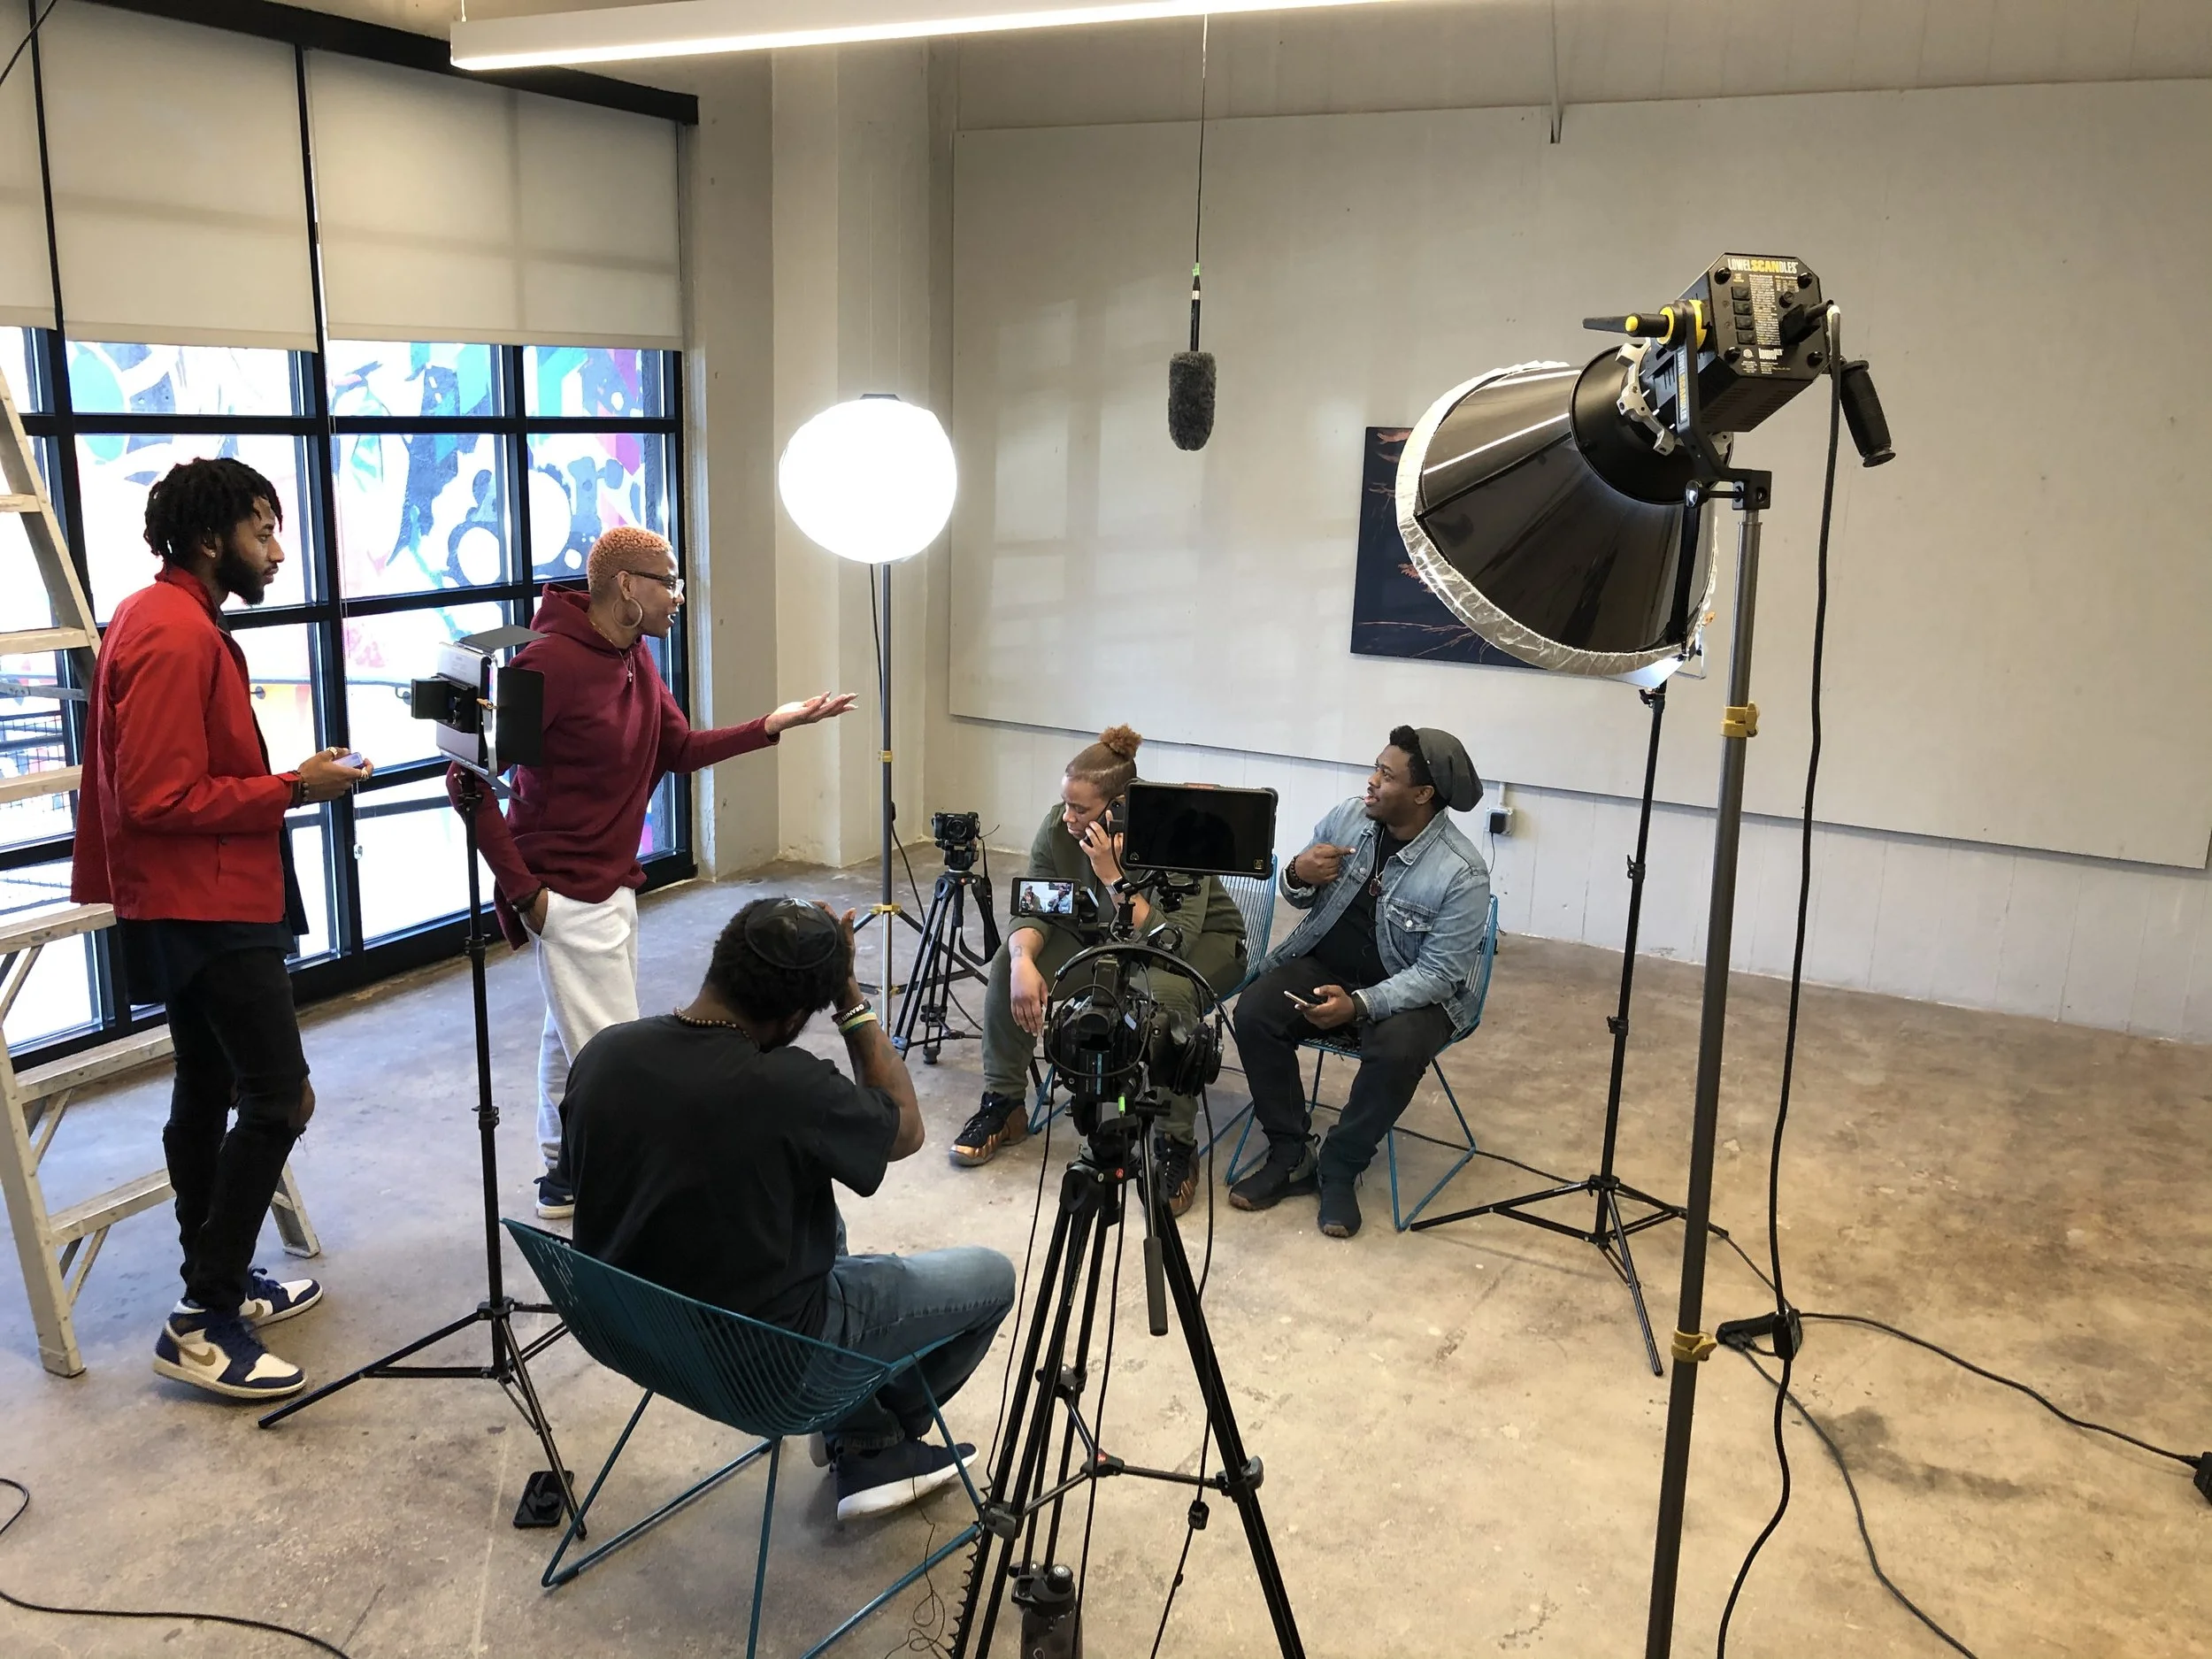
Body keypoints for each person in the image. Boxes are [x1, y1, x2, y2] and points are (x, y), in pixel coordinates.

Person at [449, 526, 856, 1221]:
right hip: (565, 889)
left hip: (610, 882)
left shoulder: (633, 656)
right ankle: (620, 1193)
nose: (678, 596)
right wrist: (527, 894)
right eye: (668, 581)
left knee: (570, 1033)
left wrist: (772, 724)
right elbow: (466, 778)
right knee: (614, 1055)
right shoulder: (544, 665)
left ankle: (564, 1172)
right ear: (627, 588)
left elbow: (679, 748)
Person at [71, 457, 371, 1400]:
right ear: (211, 541)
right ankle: (202, 1318)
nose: (278, 553)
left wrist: (288, 778)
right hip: (204, 902)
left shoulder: (163, 616)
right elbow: (162, 796)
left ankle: (221, 1280)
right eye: (263, 532)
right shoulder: (173, 633)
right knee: (281, 1100)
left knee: (206, 1083)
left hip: (195, 895)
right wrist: (295, 787)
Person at [564, 897, 1016, 1521]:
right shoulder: (790, 1087)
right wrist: (851, 998)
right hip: (768, 1370)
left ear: (721, 957)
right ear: (796, 1014)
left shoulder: (603, 1054)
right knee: (993, 1277)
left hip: (636, 1334)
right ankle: (875, 1439)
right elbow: (907, 1128)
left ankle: (863, 1429)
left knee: (820, 1212)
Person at [950, 728, 1247, 1216]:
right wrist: (1024, 960)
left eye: (1080, 810)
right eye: (1065, 803)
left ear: (1119, 807)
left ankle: (1176, 1143)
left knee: (1162, 993)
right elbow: (1038, 907)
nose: (1067, 817)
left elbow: (1169, 941)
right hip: (1102, 930)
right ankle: (1003, 1104)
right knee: (1009, 962)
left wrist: (1111, 874)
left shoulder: (1178, 830)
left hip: (1200, 944)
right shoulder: (1058, 827)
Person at [1228, 726, 1490, 1240]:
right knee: (1255, 1010)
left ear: (1422, 795)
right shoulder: (1350, 817)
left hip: (1411, 988)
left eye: (1386, 775)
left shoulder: (1463, 873)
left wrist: (1361, 1005)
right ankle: (1290, 1151)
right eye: (1376, 766)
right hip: (1326, 966)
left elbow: (1439, 975)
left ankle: (1341, 1164)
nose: (1370, 782)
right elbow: (1298, 897)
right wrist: (1299, 874)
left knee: (1397, 1049)